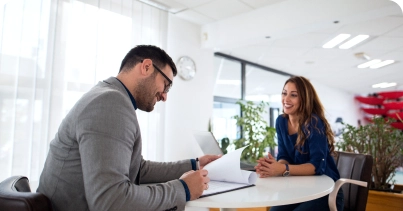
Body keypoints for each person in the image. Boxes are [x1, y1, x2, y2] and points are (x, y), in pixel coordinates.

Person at [37, 45, 220, 211]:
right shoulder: (110, 103)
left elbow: (138, 169)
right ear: (146, 67)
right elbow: (110, 201)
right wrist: (184, 189)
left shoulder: (108, 96)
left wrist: (195, 164)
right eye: (166, 85)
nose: (165, 96)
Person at [255, 76, 344, 211]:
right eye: (284, 93)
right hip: (299, 188)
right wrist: (274, 167)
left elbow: (317, 166)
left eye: (294, 95)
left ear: (304, 99)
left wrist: (282, 169)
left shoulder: (314, 122)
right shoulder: (281, 121)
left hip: (326, 192)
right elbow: (285, 155)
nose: (286, 99)